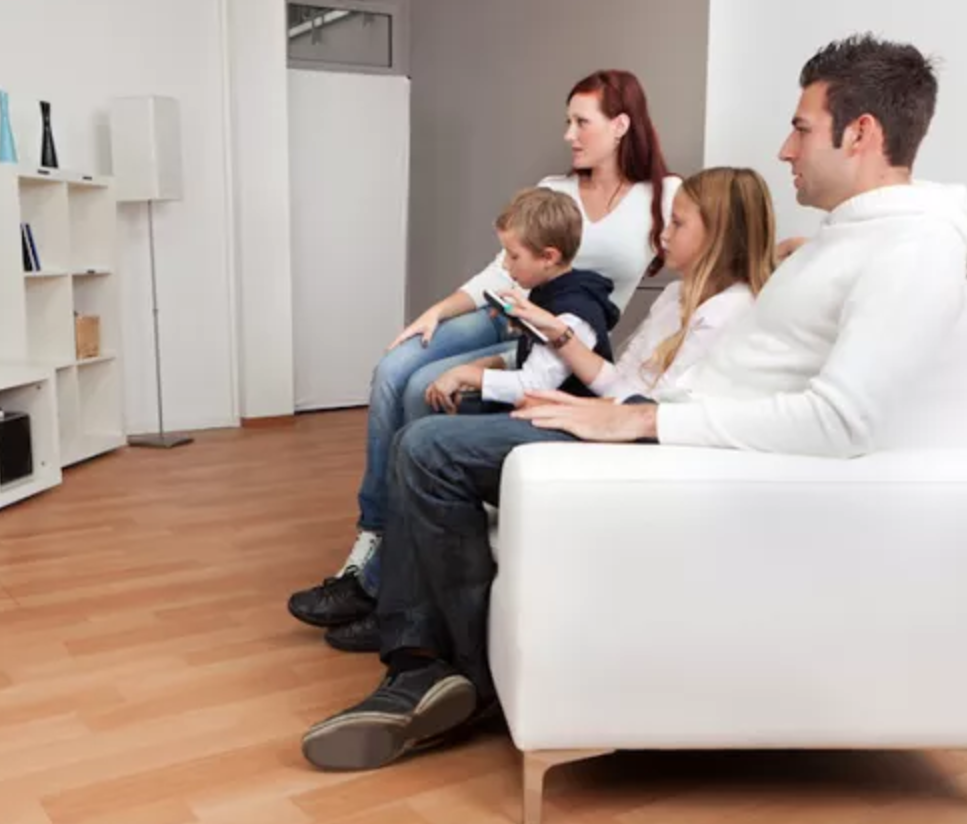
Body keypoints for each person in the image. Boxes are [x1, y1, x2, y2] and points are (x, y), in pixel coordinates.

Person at [299, 32, 967, 773]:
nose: (786, 150)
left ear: (860, 133)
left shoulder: (916, 250)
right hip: (670, 430)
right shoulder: (852, 238)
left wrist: (644, 418)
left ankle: (444, 673)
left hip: (680, 452)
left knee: (431, 450)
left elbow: (844, 420)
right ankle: (422, 656)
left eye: (800, 127)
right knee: (424, 422)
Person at [314, 166, 781, 655]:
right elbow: (618, 381)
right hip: (594, 417)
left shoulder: (730, 312)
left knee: (423, 442)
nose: (663, 234)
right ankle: (396, 605)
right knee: (419, 426)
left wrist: (575, 400)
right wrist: (556, 337)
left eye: (679, 223)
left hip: (620, 446)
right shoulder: (674, 295)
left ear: (720, 234)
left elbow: (655, 414)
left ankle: (412, 624)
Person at [287, 69, 680, 630]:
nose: (569, 134)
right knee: (396, 366)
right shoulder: (556, 187)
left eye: (581, 122)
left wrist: (781, 252)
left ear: (621, 125)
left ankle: (401, 569)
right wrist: (438, 311)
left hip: (563, 332)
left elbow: (722, 236)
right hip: (510, 310)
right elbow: (501, 271)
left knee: (425, 392)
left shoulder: (663, 197)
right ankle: (372, 540)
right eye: (567, 120)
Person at [422, 186, 622, 418]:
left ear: (549, 257)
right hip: (537, 407)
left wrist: (464, 374)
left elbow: (533, 386)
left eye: (514, 256)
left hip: (563, 420)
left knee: (424, 431)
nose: (506, 265)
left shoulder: (573, 315)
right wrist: (490, 364)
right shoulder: (545, 291)